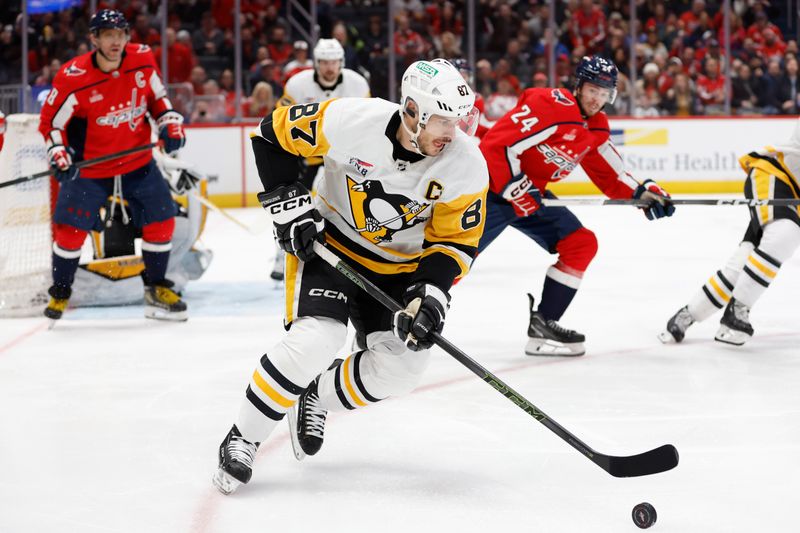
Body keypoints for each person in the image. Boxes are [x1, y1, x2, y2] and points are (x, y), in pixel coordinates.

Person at [212, 59, 488, 494]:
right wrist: (290, 207)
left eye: (456, 121)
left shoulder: (465, 163)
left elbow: (456, 242)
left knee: (402, 369)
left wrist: (432, 293)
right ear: (412, 110)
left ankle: (314, 395)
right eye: (442, 119)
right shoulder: (350, 119)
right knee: (315, 341)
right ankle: (243, 436)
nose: (451, 132)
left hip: (399, 270)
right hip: (331, 246)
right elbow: (270, 135)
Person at [475, 55, 675, 357]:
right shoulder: (550, 105)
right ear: (579, 86)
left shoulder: (595, 128)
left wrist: (643, 193)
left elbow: (611, 175)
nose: (597, 99)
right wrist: (512, 186)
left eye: (604, 93)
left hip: (530, 197)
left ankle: (544, 322)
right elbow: (496, 144)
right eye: (593, 90)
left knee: (580, 243)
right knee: (455, 258)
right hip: (489, 189)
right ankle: (403, 308)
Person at [38, 9, 187, 322]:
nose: (116, 41)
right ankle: (61, 291)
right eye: (108, 34)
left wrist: (169, 123)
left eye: (120, 34)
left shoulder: (143, 59)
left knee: (162, 222)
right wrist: (58, 152)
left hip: (138, 161)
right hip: (91, 168)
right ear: (94, 39)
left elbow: (159, 99)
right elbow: (52, 122)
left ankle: (156, 287)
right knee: (69, 232)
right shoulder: (73, 76)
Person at [659, 120, 800, 346]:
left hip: (793, 194)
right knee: (785, 234)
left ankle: (687, 315)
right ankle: (737, 310)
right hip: (775, 175)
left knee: (747, 261)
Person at [270, 38, 371, 281]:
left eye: (334, 62)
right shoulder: (297, 84)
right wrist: (291, 153)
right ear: (316, 63)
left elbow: (369, 122)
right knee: (292, 204)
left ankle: (352, 254)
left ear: (341, 62)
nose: (329, 67)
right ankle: (281, 254)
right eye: (324, 62)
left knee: (349, 206)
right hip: (306, 155)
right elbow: (281, 119)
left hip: (343, 155)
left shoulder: (357, 84)